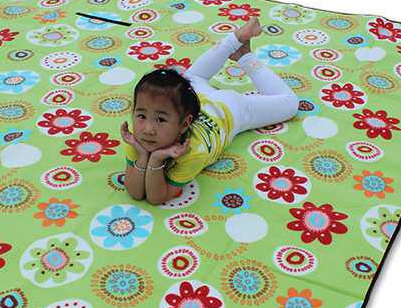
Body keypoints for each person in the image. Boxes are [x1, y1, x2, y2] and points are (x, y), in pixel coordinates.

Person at [120, 17, 299, 205]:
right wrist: (143, 155)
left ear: (184, 125)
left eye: (160, 120)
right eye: (141, 116)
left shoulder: (192, 152)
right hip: (194, 94)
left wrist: (155, 159)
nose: (148, 129)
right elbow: (136, 192)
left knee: (290, 103)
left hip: (229, 108)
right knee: (192, 77)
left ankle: (245, 56)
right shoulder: (138, 139)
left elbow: (156, 198)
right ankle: (237, 39)